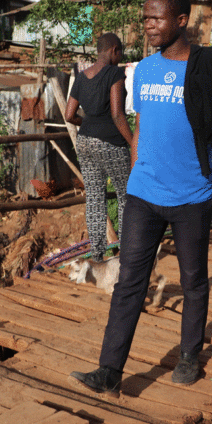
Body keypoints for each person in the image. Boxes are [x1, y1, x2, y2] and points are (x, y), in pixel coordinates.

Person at [70, 0, 212, 394]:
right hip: (144, 194)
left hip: (192, 196)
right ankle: (109, 371)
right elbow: (142, 128)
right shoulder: (143, 69)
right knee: (130, 280)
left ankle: (188, 356)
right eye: (145, 17)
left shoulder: (209, 68)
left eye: (156, 18)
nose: (148, 25)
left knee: (194, 279)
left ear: (181, 21)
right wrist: (134, 175)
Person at [65, 33, 134, 262]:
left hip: (84, 142)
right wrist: (133, 142)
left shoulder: (81, 77)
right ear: (114, 50)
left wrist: (88, 124)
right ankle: (125, 254)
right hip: (111, 143)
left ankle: (96, 256)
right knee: (126, 195)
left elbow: (69, 114)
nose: (120, 57)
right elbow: (117, 113)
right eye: (120, 53)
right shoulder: (115, 73)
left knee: (94, 198)